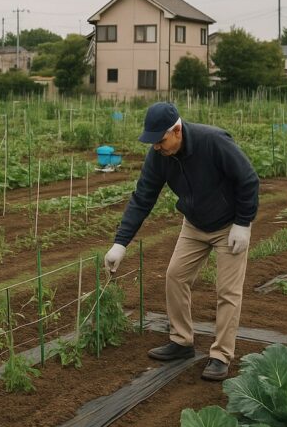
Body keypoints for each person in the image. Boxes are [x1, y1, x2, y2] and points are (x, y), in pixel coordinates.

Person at [104, 102, 259, 381]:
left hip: (229, 225)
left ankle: (221, 355)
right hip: (195, 223)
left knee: (227, 291)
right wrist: (120, 243)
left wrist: (243, 224)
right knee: (175, 276)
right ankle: (182, 341)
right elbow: (143, 197)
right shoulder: (160, 155)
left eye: (160, 141)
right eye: (152, 142)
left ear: (177, 130)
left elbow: (248, 179)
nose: (156, 148)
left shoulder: (212, 141)